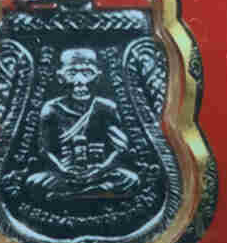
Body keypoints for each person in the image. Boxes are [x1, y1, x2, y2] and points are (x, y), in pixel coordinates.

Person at [25, 47, 140, 201]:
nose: (80, 81)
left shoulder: (105, 107)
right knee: (33, 183)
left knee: (131, 179)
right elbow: (45, 150)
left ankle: (71, 195)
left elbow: (120, 149)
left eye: (87, 73)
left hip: (99, 171)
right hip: (66, 173)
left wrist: (101, 169)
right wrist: (63, 170)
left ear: (98, 77)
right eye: (72, 73)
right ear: (60, 77)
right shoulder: (51, 109)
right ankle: (95, 193)